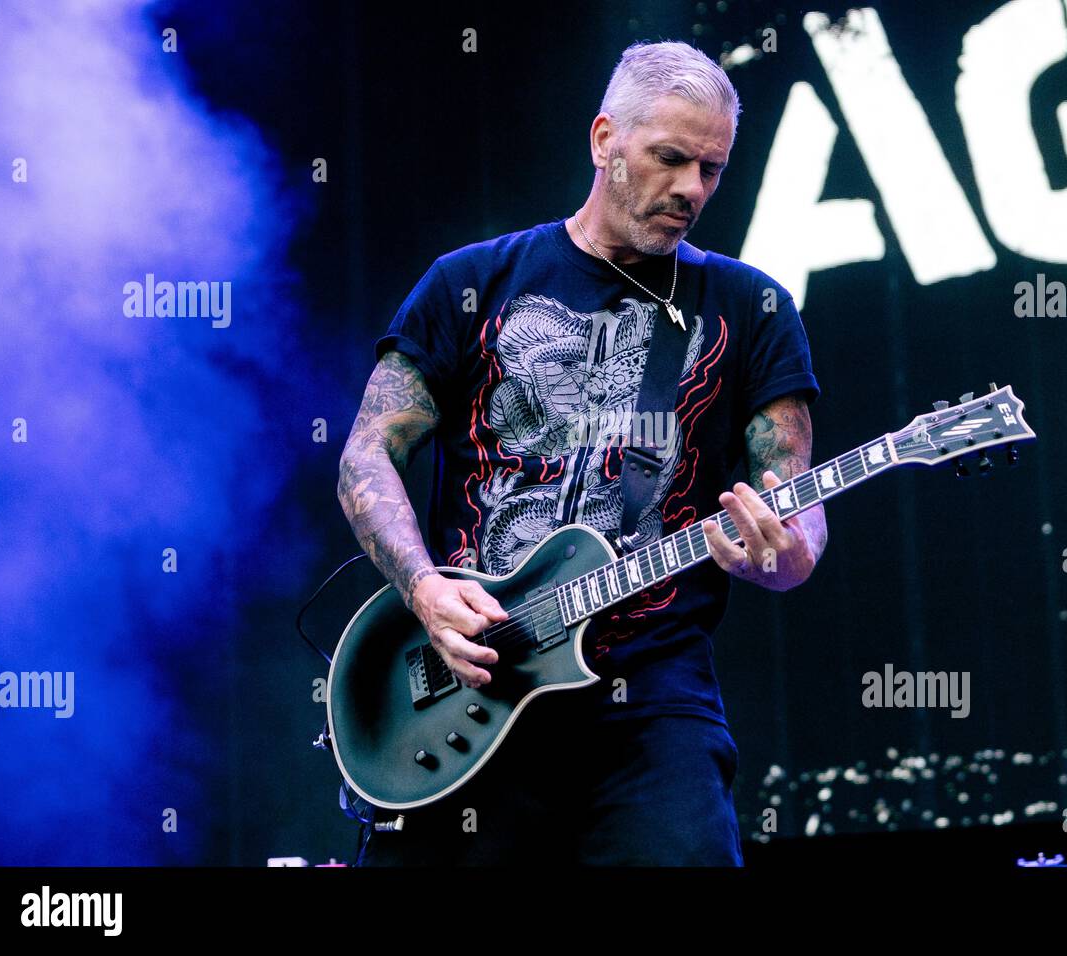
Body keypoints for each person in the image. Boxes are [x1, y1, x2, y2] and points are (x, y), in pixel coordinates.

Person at [337, 39, 826, 866]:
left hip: (652, 702)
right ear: (604, 139)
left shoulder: (753, 305)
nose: (691, 190)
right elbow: (365, 457)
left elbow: (796, 502)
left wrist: (785, 558)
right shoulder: (474, 281)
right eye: (670, 159)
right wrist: (422, 589)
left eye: (711, 169)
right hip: (471, 679)